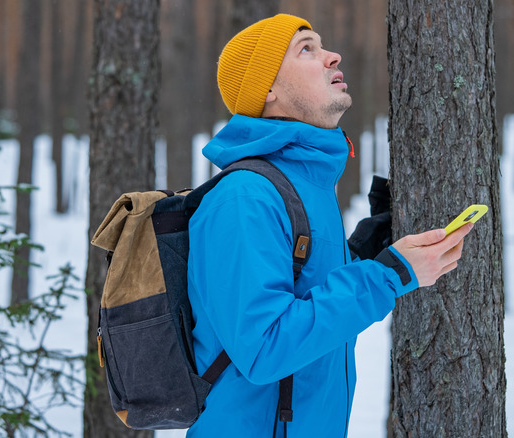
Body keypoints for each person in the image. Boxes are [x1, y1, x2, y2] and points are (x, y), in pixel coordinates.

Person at [186, 13, 473, 437]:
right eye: (307, 49)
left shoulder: (306, 185)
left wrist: (361, 252)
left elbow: (303, 294)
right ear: (267, 90)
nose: (332, 56)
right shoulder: (244, 198)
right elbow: (264, 346)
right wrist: (387, 275)